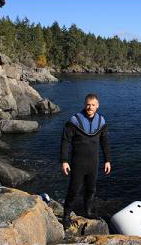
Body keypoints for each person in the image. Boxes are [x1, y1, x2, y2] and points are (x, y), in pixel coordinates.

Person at [60, 93, 111, 229]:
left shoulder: (101, 122)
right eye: (88, 104)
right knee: (74, 190)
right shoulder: (74, 121)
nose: (90, 107)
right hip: (78, 163)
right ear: (84, 104)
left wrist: (108, 160)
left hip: (93, 163)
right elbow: (65, 141)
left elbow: (105, 142)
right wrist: (64, 160)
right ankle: (66, 215)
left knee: (91, 189)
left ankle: (87, 211)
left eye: (93, 105)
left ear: (97, 106)